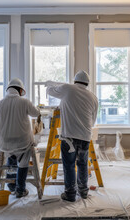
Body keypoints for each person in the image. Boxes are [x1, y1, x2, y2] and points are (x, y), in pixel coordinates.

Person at [0, 78, 41, 198]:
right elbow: (36, 113)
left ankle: (11, 185)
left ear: (8, 90)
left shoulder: (0, 104)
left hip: (5, 144)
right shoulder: (25, 102)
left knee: (11, 158)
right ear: (20, 90)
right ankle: (20, 189)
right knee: (23, 162)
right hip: (23, 142)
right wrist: (38, 108)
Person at [46, 71, 98, 202]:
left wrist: (50, 84)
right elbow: (93, 120)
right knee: (82, 164)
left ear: (74, 81)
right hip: (85, 136)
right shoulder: (93, 97)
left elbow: (50, 91)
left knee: (69, 165)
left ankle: (70, 194)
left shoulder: (67, 88)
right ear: (87, 83)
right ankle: (83, 191)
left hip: (69, 136)